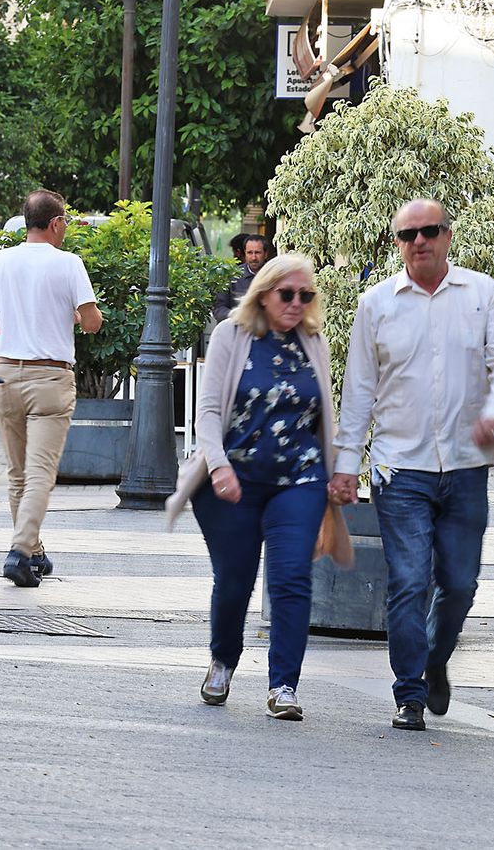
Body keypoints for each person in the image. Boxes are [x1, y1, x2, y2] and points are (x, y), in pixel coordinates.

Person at [330, 199, 494, 732]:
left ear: (447, 236)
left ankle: (435, 659)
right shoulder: (377, 304)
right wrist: (347, 464)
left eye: (430, 230)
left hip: (465, 465)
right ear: (397, 243)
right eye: (408, 234)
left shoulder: (481, 294)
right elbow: (360, 389)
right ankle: (409, 692)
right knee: (410, 581)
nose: (420, 241)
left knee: (459, 583)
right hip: (400, 468)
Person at [172, 254, 341, 721]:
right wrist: (219, 465)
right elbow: (207, 411)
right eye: (287, 294)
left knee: (291, 578)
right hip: (236, 479)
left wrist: (339, 471)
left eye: (306, 295)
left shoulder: (313, 340)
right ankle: (223, 660)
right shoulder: (232, 334)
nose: (296, 303)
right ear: (263, 293)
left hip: (301, 479)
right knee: (235, 581)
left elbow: (325, 413)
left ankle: (283, 685)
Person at [0, 189, 101, 587]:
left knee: (17, 473)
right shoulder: (69, 264)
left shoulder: (0, 259)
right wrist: (79, 317)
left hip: (5, 373)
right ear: (56, 223)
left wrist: (12, 311)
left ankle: (34, 550)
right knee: (41, 473)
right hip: (49, 376)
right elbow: (91, 322)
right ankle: (20, 551)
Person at [212, 235, 270, 322]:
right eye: (250, 253)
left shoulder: (275, 275)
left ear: (265, 254)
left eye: (257, 253)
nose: (253, 257)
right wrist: (235, 315)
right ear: (245, 253)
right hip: (237, 329)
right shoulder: (232, 275)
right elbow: (218, 308)